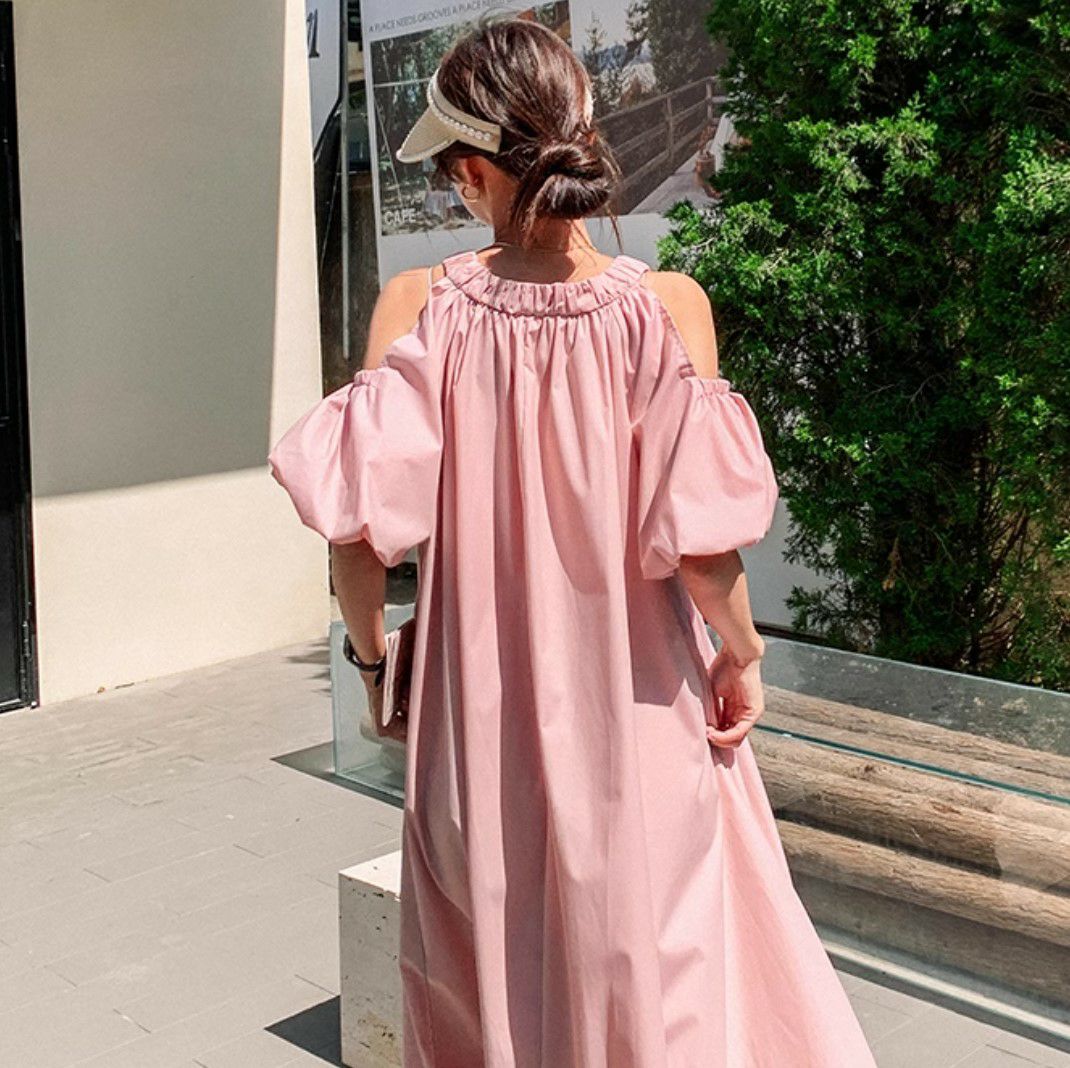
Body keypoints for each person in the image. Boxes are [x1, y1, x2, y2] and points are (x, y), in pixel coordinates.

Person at [268, 16, 878, 1068]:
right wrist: (740, 654)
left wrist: (374, 669)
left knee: (488, 974)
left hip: (474, 724)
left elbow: (358, 543)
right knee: (661, 973)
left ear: (470, 172)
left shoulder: (416, 307)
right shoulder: (667, 309)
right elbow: (702, 550)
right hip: (639, 714)